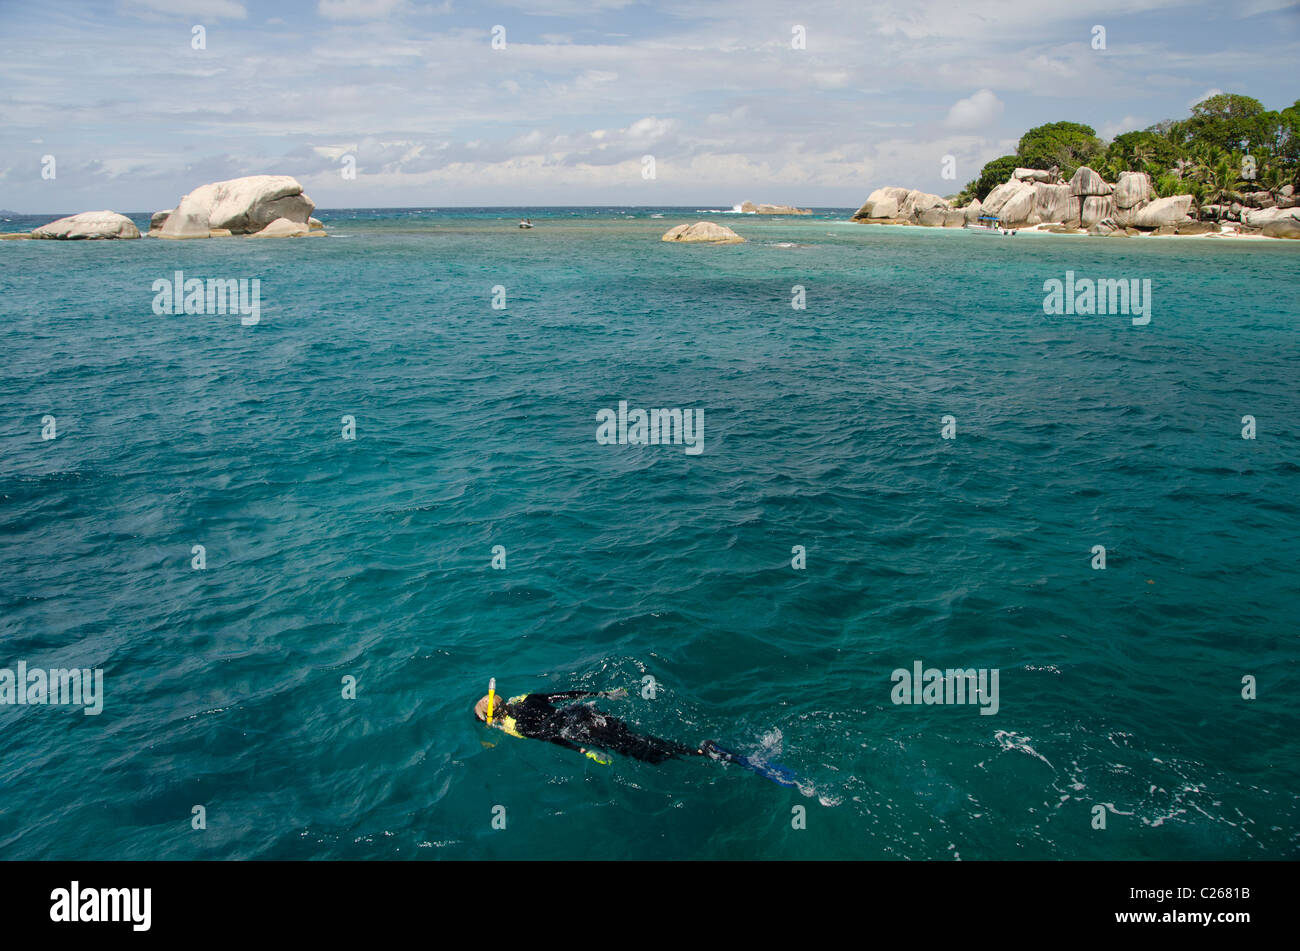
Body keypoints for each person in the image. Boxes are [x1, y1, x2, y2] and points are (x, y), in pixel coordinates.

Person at [475, 687, 706, 764]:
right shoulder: (526, 709)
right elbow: (565, 699)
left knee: (645, 749)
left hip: (581, 728)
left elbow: (556, 733)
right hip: (586, 717)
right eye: (483, 705)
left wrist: (584, 751)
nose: (485, 699)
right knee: (639, 740)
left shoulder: (523, 718)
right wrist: (605, 694)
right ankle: (696, 751)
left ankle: (701, 753)